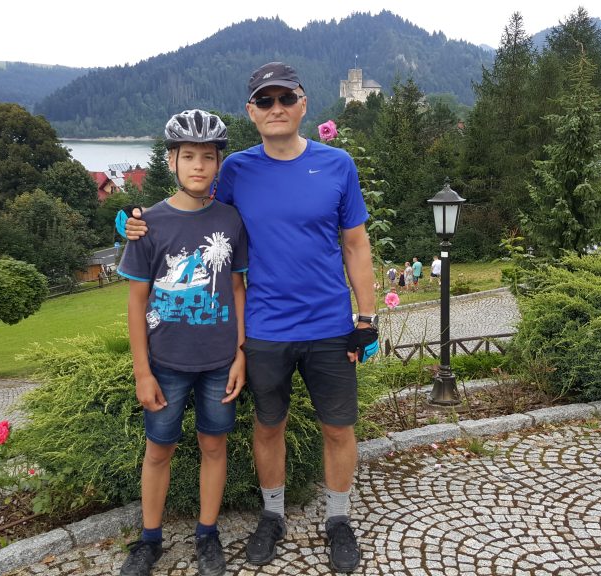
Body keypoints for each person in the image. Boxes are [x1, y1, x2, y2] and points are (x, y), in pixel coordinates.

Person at [120, 61, 379, 573]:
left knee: (338, 428)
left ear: (303, 104)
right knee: (267, 426)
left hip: (330, 325)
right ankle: (272, 515)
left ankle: (338, 520)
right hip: (263, 328)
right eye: (265, 100)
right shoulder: (236, 169)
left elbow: (355, 243)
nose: (276, 107)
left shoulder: (337, 164)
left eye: (285, 98)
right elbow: (192, 213)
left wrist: (367, 317)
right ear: (252, 111)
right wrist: (134, 223)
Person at [116, 110, 248, 576]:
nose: (198, 166)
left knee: (214, 446)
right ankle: (149, 539)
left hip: (219, 361)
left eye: (208, 157)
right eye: (188, 156)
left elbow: (237, 289)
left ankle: (207, 534)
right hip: (165, 362)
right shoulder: (148, 224)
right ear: (171, 160)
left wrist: (240, 354)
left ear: (218, 164)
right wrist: (142, 371)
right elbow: (136, 302)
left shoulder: (231, 220)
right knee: (158, 450)